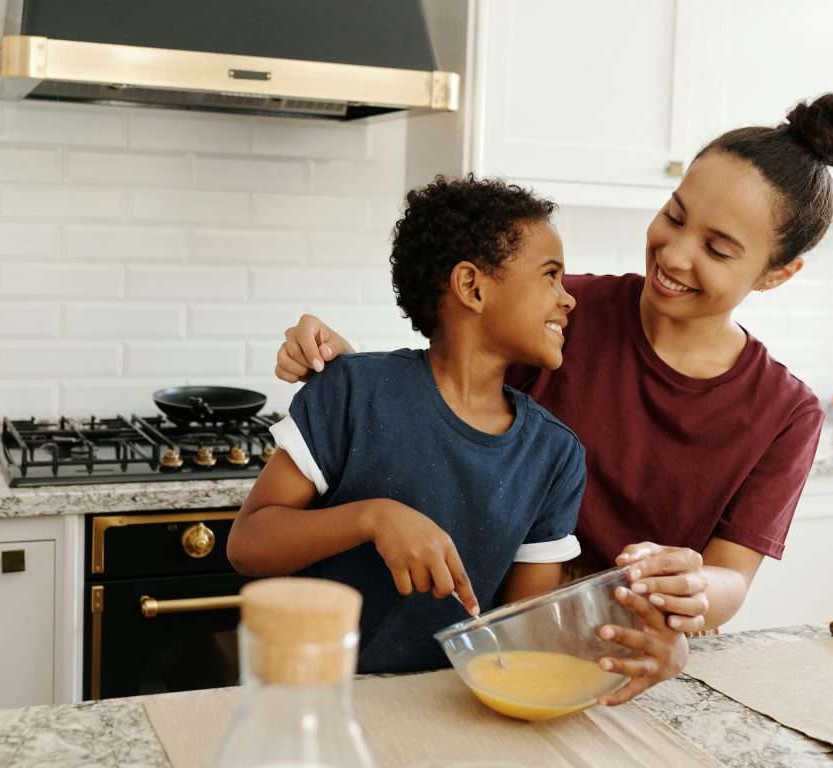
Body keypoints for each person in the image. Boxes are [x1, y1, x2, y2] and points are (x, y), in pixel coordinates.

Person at [273, 93, 833, 703]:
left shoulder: (785, 410)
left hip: (625, 658)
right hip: (487, 651)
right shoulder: (563, 315)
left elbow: (730, 580)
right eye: (675, 214)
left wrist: (687, 606)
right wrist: (353, 370)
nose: (676, 252)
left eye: (717, 249)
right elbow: (445, 383)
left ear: (776, 273)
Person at [227, 176, 678, 675]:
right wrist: (374, 517)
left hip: (453, 706)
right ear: (472, 287)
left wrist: (627, 620)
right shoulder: (352, 392)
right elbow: (248, 545)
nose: (567, 298)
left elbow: (525, 633)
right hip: (316, 695)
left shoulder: (555, 455)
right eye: (550, 275)